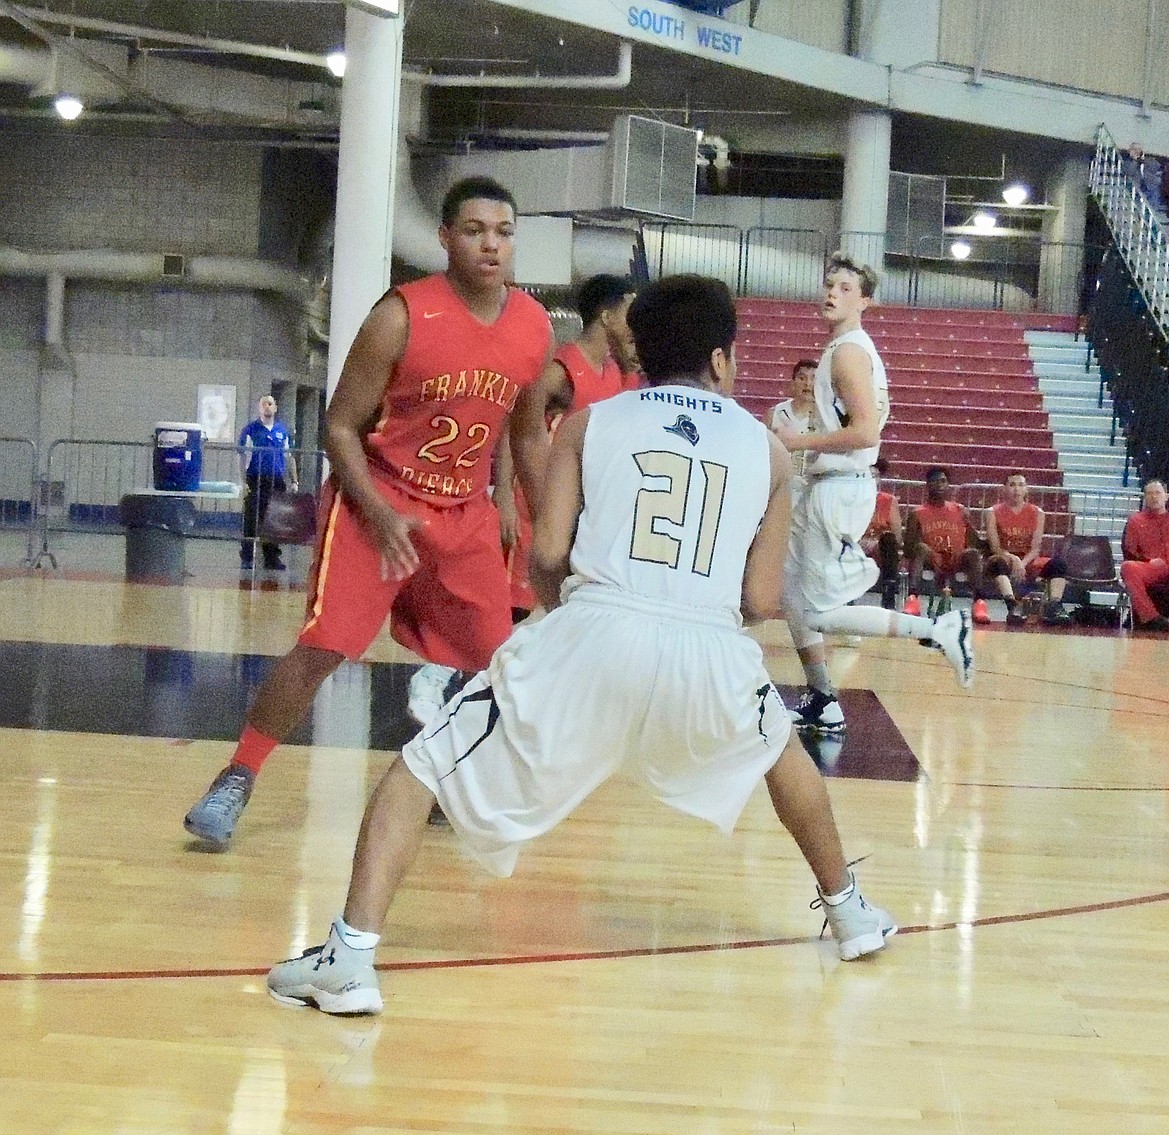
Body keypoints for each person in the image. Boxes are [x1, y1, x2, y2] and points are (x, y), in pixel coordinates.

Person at [265, 274, 897, 1015]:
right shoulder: (771, 454)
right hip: (708, 645)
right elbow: (761, 601)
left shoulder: (590, 425)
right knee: (781, 757)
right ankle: (849, 910)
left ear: (641, 349)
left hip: (595, 625)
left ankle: (349, 957)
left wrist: (583, 623)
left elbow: (548, 552)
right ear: (723, 361)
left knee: (420, 766)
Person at [183, 176, 554, 849]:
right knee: (324, 647)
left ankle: (440, 775)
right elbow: (339, 426)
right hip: (376, 503)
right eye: (474, 230)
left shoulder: (533, 326)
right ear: (445, 238)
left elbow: (526, 435)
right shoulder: (402, 315)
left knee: (498, 666)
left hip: (462, 512)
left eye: (502, 231)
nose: (491, 244)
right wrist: (379, 512)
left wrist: (554, 522)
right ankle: (238, 774)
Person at [771, 256, 973, 735]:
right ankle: (823, 697)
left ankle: (940, 630)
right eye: (829, 284)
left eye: (845, 287)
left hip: (840, 489)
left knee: (818, 610)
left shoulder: (849, 353)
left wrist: (796, 440)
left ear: (866, 300)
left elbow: (864, 433)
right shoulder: (843, 348)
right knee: (792, 597)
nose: (832, 292)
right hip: (826, 485)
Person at [496, 273, 640, 617]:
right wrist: (503, 494)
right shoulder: (562, 368)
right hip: (536, 495)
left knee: (562, 604)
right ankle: (442, 672)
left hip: (577, 502)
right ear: (606, 315)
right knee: (511, 607)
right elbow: (516, 425)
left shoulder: (616, 371)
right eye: (627, 310)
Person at [983, 472, 1070, 626]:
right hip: (1005, 557)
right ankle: (1013, 605)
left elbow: (1036, 548)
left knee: (1059, 564)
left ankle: (1055, 605)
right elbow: (995, 547)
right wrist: (1014, 559)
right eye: (1012, 485)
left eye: (1020, 485)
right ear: (1004, 489)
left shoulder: (1037, 512)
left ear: (1026, 490)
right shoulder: (993, 512)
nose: (1016, 489)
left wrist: (1022, 564)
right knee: (997, 564)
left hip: (1029, 559)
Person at [902, 466, 985, 614]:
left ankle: (979, 602)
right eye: (935, 481)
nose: (940, 485)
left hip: (956, 557)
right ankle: (913, 598)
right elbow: (909, 549)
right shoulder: (917, 513)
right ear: (928, 485)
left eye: (943, 481)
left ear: (948, 485)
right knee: (921, 548)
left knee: (972, 553)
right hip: (932, 558)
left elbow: (975, 542)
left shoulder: (960, 510)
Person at [238, 394, 298, 571]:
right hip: (255, 478)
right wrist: (243, 481)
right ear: (259, 408)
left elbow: (289, 456)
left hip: (276, 480)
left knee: (274, 520)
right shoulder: (250, 429)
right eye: (264, 404)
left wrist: (294, 480)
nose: (267, 407)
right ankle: (247, 556)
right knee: (251, 518)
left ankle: (272, 558)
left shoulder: (282, 431)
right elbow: (241, 456)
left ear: (275, 407)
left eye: (270, 404)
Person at [1120, 477, 1169, 632]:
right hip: (1150, 567)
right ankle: (1151, 618)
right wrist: (1148, 561)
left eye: (1157, 493)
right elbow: (1129, 551)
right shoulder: (1135, 520)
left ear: (1167, 496)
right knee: (1128, 567)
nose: (1153, 497)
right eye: (1149, 493)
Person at [767, 358, 819, 487]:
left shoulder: (824, 418)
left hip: (812, 487)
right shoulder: (775, 413)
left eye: (813, 379)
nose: (808, 384)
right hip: (781, 486)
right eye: (802, 378)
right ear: (793, 382)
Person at [859, 457, 902, 610]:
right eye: (869, 475)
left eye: (875, 476)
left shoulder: (888, 500)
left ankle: (889, 590)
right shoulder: (851, 497)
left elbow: (897, 535)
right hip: (855, 543)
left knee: (889, 540)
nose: (872, 480)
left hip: (880, 546)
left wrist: (876, 541)